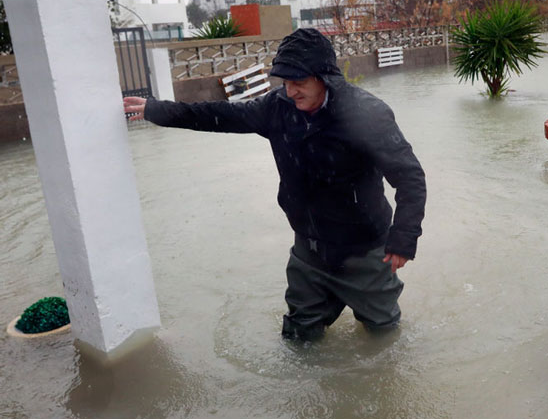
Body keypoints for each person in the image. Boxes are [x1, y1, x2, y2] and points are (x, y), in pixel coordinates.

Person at [123, 28, 426, 340]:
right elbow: (220, 114)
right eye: (285, 81)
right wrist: (155, 110)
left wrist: (403, 239)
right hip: (309, 251)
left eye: (300, 82)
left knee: (384, 339)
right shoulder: (277, 108)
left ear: (325, 77)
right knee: (298, 338)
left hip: (364, 251)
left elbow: (410, 177)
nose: (291, 91)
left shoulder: (367, 114)